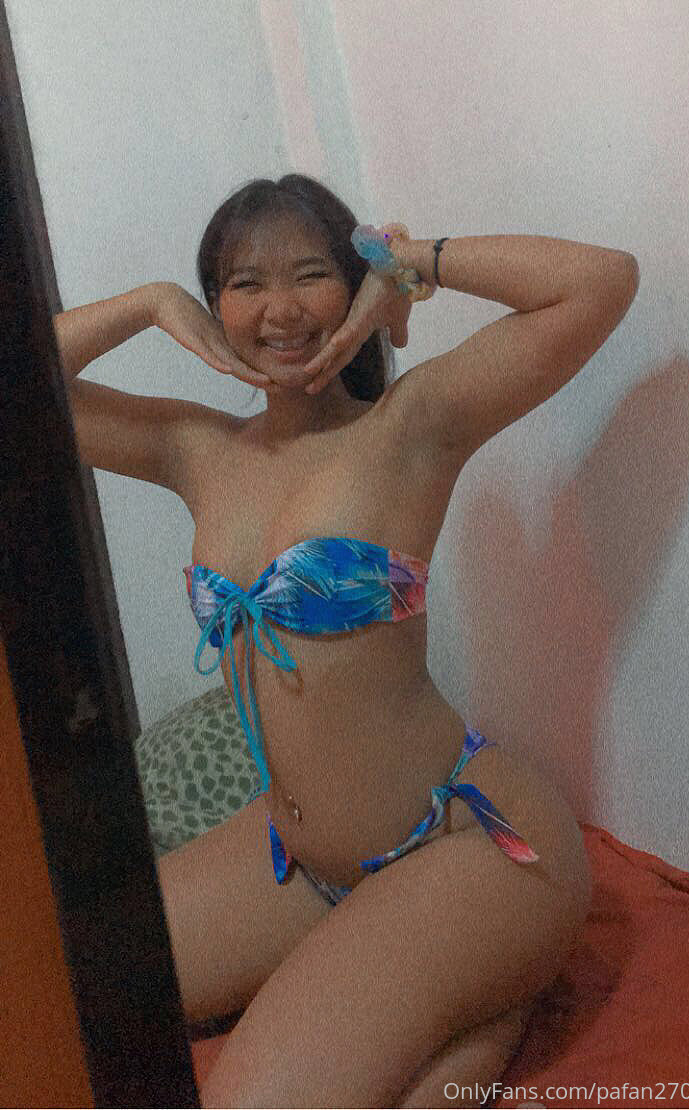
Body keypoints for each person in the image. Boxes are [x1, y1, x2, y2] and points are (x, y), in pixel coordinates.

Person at [55, 173, 638, 1108]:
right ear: (215, 306)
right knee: (64, 981)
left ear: (351, 287)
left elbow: (601, 281)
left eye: (311, 274)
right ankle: (478, 1003)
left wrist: (407, 264)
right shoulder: (196, 450)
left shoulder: (413, 427)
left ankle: (485, 969)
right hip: (294, 863)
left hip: (466, 843)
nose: (280, 310)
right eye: (245, 284)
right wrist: (149, 303)